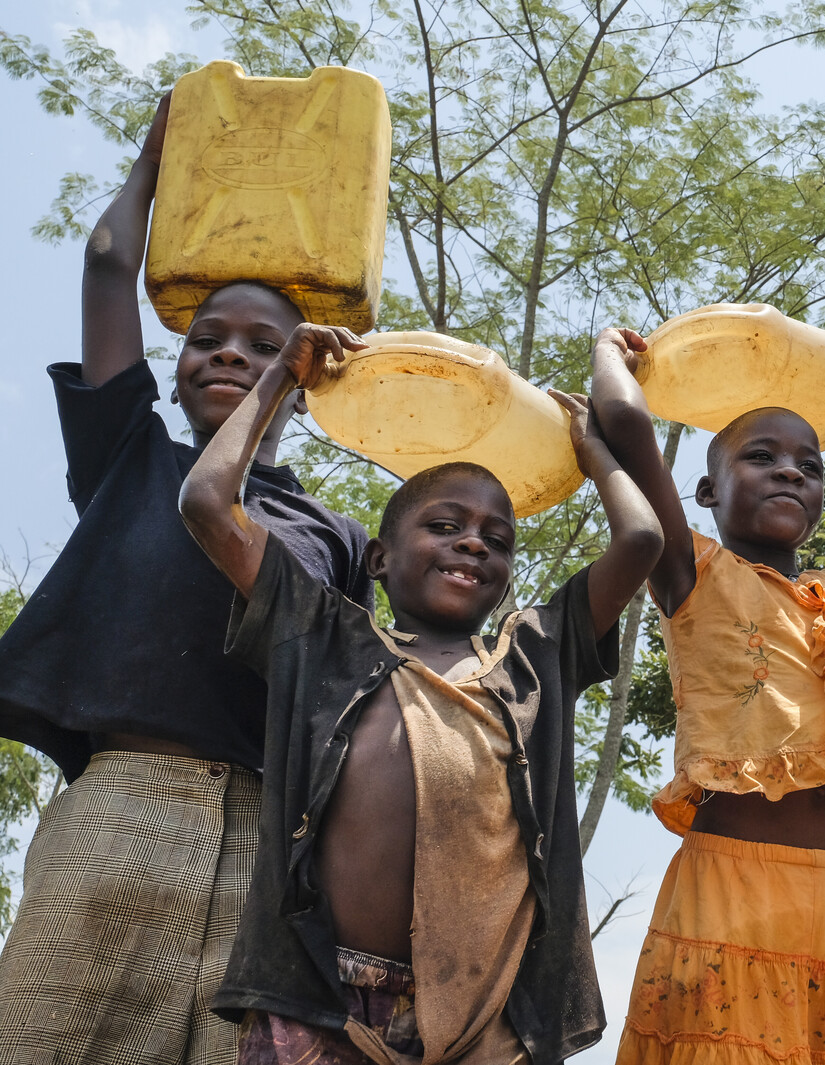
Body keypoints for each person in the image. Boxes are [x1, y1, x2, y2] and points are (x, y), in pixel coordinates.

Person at [0, 96, 374, 1065]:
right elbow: (107, 264)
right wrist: (153, 164)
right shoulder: (132, 460)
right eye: (208, 339)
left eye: (263, 348)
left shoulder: (338, 537)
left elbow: (346, 721)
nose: (230, 355)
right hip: (121, 811)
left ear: (302, 380)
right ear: (171, 373)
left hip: (264, 852)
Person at [178, 324, 662, 1063]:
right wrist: (281, 375)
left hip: (487, 1017)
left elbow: (641, 541)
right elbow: (209, 503)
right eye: (445, 525)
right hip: (318, 1000)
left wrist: (593, 454)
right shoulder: (323, 635)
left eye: (497, 540)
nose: (474, 543)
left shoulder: (535, 652)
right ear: (378, 557)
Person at [589, 324, 825, 1064]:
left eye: (808, 466)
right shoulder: (692, 570)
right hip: (730, 899)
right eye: (761, 457)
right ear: (708, 489)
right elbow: (623, 421)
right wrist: (608, 354)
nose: (789, 472)